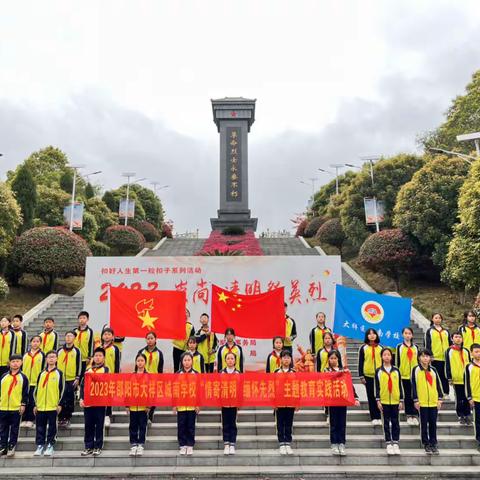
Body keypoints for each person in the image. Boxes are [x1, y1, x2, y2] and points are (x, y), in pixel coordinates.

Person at [325, 350, 360, 456]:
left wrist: (355, 397)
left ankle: (341, 443)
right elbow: (327, 379)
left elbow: (349, 384)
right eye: (331, 358)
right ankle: (334, 443)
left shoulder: (343, 370)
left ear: (338, 359)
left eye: (335, 358)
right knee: (333, 423)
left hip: (342, 399)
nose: (333, 360)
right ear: (328, 360)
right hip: (332, 400)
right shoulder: (326, 370)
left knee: (342, 422)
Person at [411, 348, 443, 455]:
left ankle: (434, 443)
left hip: (433, 401)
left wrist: (440, 399)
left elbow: (438, 385)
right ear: (419, 358)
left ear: (430, 358)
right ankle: (426, 443)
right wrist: (416, 400)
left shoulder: (433, 370)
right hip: (422, 402)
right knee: (424, 423)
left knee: (433, 423)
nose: (425, 358)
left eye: (427, 356)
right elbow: (414, 386)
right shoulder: (415, 370)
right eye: (423, 356)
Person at [34, 350, 64, 457]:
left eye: (53, 357)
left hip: (53, 406)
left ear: (56, 359)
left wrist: (59, 404)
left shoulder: (59, 373)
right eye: (49, 357)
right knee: (40, 427)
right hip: (41, 406)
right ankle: (40, 445)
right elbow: (36, 390)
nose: (51, 359)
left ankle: (50, 445)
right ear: (46, 359)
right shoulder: (41, 373)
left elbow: (62, 389)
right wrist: (36, 404)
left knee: (52, 427)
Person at [80, 347, 109, 456]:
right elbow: (83, 386)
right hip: (88, 402)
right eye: (96, 356)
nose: (97, 358)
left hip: (100, 402)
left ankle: (98, 446)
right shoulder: (88, 370)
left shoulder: (106, 370)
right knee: (88, 425)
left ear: (103, 358)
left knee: (99, 424)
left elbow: (106, 383)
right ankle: (88, 446)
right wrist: (81, 398)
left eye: (100, 356)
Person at [375, 347, 403, 455]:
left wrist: (401, 400)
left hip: (395, 400)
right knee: (385, 422)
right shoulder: (378, 371)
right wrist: (378, 400)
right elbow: (376, 387)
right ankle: (388, 442)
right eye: (384, 355)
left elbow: (400, 386)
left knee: (396, 422)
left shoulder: (396, 370)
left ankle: (395, 442)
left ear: (391, 357)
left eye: (388, 355)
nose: (387, 356)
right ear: (381, 357)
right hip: (384, 400)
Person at [0, 354, 28, 457]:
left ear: (21, 363)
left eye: (17, 361)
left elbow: (25, 392)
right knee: (3, 428)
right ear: (9, 363)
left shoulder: (23, 377)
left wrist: (23, 404)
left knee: (14, 428)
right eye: (13, 361)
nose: (15, 363)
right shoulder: (3, 376)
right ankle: (3, 446)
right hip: (3, 407)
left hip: (15, 407)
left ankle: (12, 445)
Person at [174, 352, 199, 456]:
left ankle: (190, 444)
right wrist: (174, 405)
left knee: (190, 426)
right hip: (181, 406)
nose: (187, 362)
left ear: (192, 361)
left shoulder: (196, 374)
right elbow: (174, 390)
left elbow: (199, 391)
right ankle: (182, 445)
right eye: (185, 360)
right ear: (182, 361)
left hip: (192, 405)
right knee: (181, 425)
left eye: (189, 360)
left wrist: (198, 404)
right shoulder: (177, 374)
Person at [445, 331, 471, 425]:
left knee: (467, 398)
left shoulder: (466, 351)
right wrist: (449, 377)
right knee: (459, 398)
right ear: (452, 339)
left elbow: (470, 364)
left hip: (467, 379)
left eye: (460, 337)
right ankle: (460, 415)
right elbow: (447, 364)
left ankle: (467, 414)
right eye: (456, 337)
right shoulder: (449, 351)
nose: (458, 339)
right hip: (456, 379)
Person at [138, 332, 164, 423]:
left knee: (153, 398)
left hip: (154, 379)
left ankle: (150, 415)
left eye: (151, 338)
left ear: (155, 339)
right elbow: (137, 365)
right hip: (142, 379)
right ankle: (143, 415)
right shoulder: (141, 352)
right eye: (148, 338)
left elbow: (160, 369)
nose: (150, 340)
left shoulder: (159, 353)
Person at [57, 331, 82, 427]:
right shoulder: (59, 351)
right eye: (66, 336)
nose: (68, 338)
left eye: (70, 336)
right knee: (61, 398)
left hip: (71, 378)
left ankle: (67, 417)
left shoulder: (77, 351)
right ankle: (60, 417)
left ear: (74, 338)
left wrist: (77, 377)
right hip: (60, 378)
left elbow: (79, 364)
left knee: (69, 398)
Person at [358, 328, 383, 425]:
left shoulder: (380, 348)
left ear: (376, 335)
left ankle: (379, 415)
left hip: (379, 376)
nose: (372, 335)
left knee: (379, 396)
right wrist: (361, 376)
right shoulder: (363, 348)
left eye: (374, 333)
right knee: (371, 396)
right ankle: (373, 417)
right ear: (367, 336)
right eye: (369, 334)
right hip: (368, 376)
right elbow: (360, 362)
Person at [127, 353, 150, 457]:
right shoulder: (131, 376)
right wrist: (127, 405)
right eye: (138, 361)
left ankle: (141, 444)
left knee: (142, 426)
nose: (140, 363)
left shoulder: (148, 376)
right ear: (136, 362)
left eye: (142, 361)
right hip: (132, 407)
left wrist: (149, 405)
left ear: (145, 362)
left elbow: (151, 392)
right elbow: (127, 390)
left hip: (143, 407)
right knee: (132, 426)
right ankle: (133, 444)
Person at [275, 350, 297, 455]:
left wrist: (297, 403)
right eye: (284, 357)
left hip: (290, 402)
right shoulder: (276, 372)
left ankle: (287, 443)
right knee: (280, 423)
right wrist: (273, 402)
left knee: (289, 423)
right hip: (279, 402)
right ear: (281, 359)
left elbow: (298, 387)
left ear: (291, 360)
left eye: (288, 357)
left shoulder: (294, 372)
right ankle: (281, 443)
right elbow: (272, 388)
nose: (286, 359)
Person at [396, 327, 419, 425]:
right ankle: (409, 414)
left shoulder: (416, 347)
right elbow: (397, 361)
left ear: (412, 335)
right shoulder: (399, 347)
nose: (408, 335)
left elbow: (419, 361)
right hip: (404, 375)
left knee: (415, 395)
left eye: (409, 333)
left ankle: (415, 414)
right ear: (402, 335)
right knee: (407, 396)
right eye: (406, 333)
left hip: (414, 376)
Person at [21, 336, 45, 428]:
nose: (35, 343)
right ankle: (24, 419)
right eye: (33, 341)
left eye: (37, 341)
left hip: (35, 382)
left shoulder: (42, 355)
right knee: (24, 400)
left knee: (32, 401)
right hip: (25, 382)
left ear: (40, 343)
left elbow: (43, 369)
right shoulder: (25, 355)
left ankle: (30, 419)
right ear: (30, 343)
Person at [424, 313, 450, 397]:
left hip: (446, 358)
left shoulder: (446, 331)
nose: (438, 319)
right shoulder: (430, 331)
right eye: (436, 318)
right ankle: (437, 393)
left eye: (439, 318)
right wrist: (430, 356)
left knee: (445, 376)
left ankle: (446, 392)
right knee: (436, 375)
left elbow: (450, 343)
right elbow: (427, 344)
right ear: (432, 319)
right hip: (435, 358)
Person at [220, 351, 240, 455]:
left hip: (234, 404)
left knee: (233, 424)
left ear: (235, 361)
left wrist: (239, 402)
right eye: (228, 358)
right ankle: (226, 443)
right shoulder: (221, 373)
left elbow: (240, 389)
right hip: (224, 404)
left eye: (232, 358)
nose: (230, 360)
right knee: (225, 424)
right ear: (225, 360)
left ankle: (232, 443)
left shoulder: (238, 374)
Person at [101, 327, 120, 427]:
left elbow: (117, 364)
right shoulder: (99, 347)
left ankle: (107, 415)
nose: (107, 336)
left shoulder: (115, 349)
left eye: (109, 334)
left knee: (108, 397)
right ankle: (101, 414)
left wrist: (116, 377)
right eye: (105, 334)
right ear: (102, 336)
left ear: (112, 337)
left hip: (110, 376)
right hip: (99, 376)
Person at [465, 343, 480, 452]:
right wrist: (469, 397)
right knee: (478, 421)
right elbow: (467, 383)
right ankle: (479, 441)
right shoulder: (469, 367)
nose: (478, 354)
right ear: (471, 353)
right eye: (476, 351)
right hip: (476, 398)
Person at [172, 308, 195, 373]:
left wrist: (189, 346)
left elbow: (192, 337)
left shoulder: (190, 326)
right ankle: (176, 380)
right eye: (184, 312)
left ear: (189, 315)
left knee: (185, 366)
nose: (185, 313)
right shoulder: (177, 323)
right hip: (177, 348)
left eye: (187, 312)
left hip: (186, 350)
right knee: (176, 366)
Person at [74, 311, 94, 380]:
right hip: (74, 357)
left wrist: (89, 356)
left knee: (83, 374)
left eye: (84, 318)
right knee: (75, 373)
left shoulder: (90, 331)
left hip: (84, 358)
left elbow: (91, 344)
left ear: (87, 319)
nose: (82, 320)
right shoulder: (75, 331)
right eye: (80, 318)